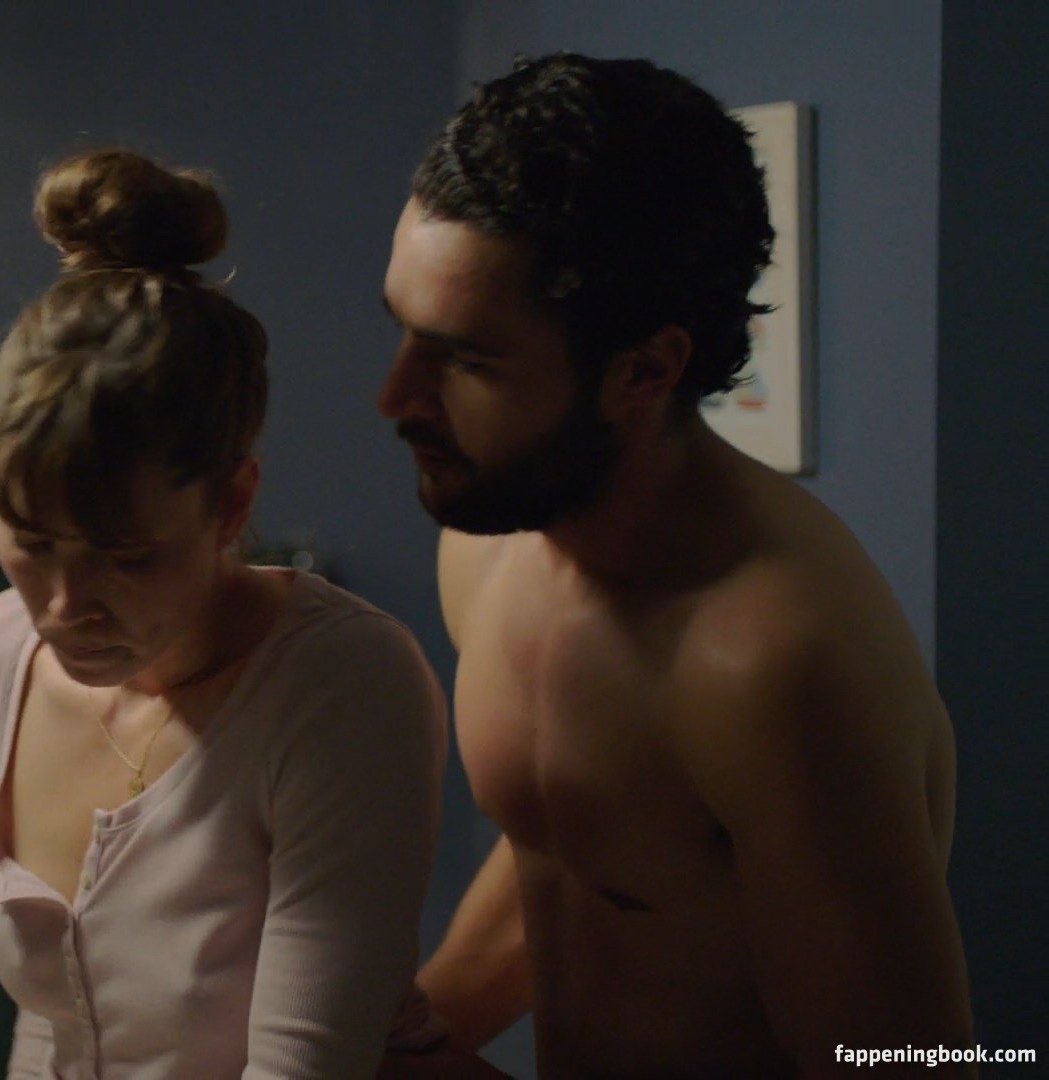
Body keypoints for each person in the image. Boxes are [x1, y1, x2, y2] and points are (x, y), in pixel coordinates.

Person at [377, 55, 976, 1076]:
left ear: (646, 371)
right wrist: (383, 1048)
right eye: (404, 332)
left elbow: (915, 1065)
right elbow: (589, 862)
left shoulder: (772, 664)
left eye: (467, 360)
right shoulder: (490, 550)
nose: (396, 398)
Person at [0, 148, 451, 1077]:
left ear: (231, 503)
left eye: (128, 556)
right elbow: (52, 1021)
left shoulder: (341, 685)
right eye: (32, 541)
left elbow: (304, 1066)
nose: (65, 607)